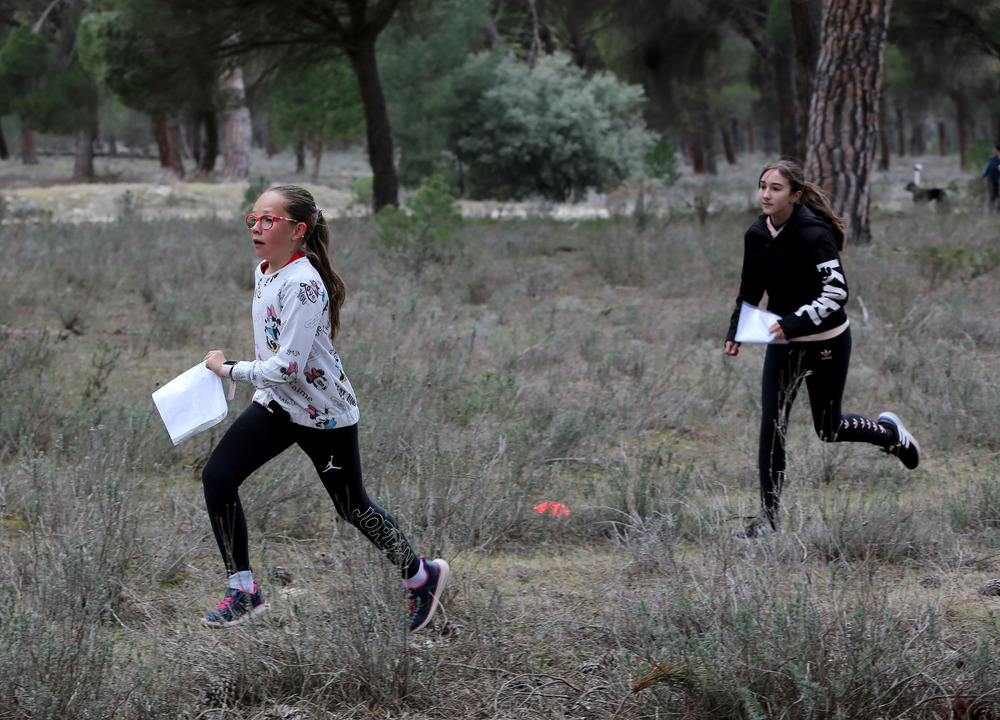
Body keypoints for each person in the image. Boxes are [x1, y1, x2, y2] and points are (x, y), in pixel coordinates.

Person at [200, 184, 449, 630]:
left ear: (298, 230)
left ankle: (421, 575)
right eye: (252, 218)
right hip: (277, 405)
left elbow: (289, 366)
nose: (257, 227)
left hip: (323, 414)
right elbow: (277, 355)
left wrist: (228, 370)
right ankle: (243, 591)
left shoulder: (305, 284)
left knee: (352, 506)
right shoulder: (265, 270)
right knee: (218, 477)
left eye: (269, 220)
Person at [723, 160, 920, 538]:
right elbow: (750, 288)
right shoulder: (756, 234)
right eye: (763, 185)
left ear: (795, 196)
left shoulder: (813, 233)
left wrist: (793, 321)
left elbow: (837, 292)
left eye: (776, 188)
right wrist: (736, 329)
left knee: (829, 429)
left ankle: (890, 434)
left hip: (826, 343)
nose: (766, 194)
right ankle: (769, 519)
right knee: (772, 426)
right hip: (783, 345)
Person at [981, 145, 1000, 211]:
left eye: (994, 150)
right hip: (991, 180)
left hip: (998, 180)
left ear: (998, 151)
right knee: (992, 196)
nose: (993, 151)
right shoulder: (992, 158)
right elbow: (987, 167)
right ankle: (991, 211)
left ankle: (998, 212)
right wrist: (982, 176)